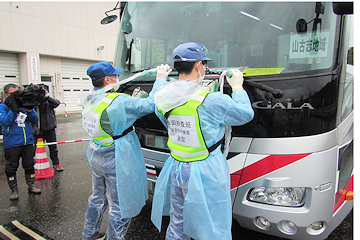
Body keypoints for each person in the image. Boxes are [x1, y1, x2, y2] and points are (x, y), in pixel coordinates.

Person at [151, 42, 254, 240]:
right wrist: (238, 87)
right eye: (204, 64)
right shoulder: (210, 100)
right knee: (212, 225)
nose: (205, 68)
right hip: (206, 170)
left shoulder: (162, 97)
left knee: (178, 222)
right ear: (198, 65)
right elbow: (245, 114)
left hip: (177, 166)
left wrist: (160, 79)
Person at [81, 61, 165, 240]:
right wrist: (160, 79)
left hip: (97, 153)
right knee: (120, 204)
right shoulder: (119, 100)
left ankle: (89, 233)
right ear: (107, 79)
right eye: (115, 76)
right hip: (115, 158)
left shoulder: (89, 98)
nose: (117, 78)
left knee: (97, 196)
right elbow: (150, 105)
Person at [0, 83, 41, 200]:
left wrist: (29, 109)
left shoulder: (23, 104)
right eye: (13, 94)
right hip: (12, 143)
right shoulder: (3, 107)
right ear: (6, 94)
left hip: (27, 141)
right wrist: (13, 109)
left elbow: (34, 120)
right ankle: (14, 190)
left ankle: (31, 185)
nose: (16, 97)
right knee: (11, 167)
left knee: (29, 164)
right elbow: (5, 122)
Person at [33, 86, 63, 171]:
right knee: (35, 149)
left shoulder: (49, 100)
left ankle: (56, 163)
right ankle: (34, 166)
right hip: (38, 129)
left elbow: (57, 103)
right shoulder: (34, 101)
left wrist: (47, 97)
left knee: (53, 148)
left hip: (50, 128)